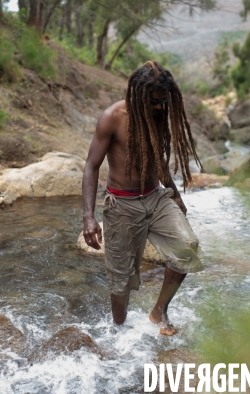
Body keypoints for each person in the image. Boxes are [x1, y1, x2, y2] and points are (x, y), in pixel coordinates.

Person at [81, 61, 204, 336]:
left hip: (156, 198)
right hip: (122, 205)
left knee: (187, 247)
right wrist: (88, 217)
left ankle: (159, 311)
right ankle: (119, 332)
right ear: (137, 96)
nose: (160, 108)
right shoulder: (112, 117)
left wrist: (173, 193)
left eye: (164, 102)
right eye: (154, 102)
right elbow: (91, 165)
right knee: (121, 279)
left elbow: (156, 157)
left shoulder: (157, 113)